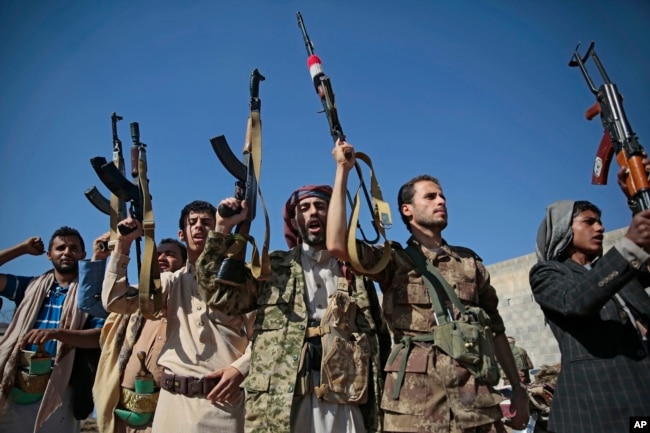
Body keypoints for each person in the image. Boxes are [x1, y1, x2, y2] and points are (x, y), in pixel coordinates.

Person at [327, 142, 529, 433]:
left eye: (443, 196)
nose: (441, 201)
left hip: (476, 404)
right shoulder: (393, 260)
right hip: (415, 408)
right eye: (431, 196)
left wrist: (519, 389)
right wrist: (342, 171)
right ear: (406, 210)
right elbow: (336, 243)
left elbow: (495, 330)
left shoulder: (470, 263)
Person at [196, 185, 388, 433]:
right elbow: (219, 296)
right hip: (283, 400)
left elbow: (380, 338)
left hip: (346, 398)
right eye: (304, 208)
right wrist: (223, 228)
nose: (313, 213)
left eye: (320, 206)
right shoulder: (273, 267)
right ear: (294, 221)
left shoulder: (357, 271)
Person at [102, 200, 254, 433]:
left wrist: (240, 369)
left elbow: (263, 335)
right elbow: (114, 300)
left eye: (207, 222)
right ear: (182, 234)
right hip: (172, 403)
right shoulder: (171, 282)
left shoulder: (240, 281)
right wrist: (123, 245)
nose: (199, 227)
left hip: (222, 403)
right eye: (192, 222)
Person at [529, 199, 650, 433]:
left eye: (601, 222)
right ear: (565, 230)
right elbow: (576, 302)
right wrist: (628, 247)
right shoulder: (548, 274)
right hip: (597, 409)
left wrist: (638, 200)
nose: (600, 228)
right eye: (589, 222)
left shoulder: (619, 272)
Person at [0, 227, 106, 433]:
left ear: (83, 255)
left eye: (73, 248)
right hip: (18, 384)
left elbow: (99, 338)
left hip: (62, 387)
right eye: (60, 248)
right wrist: (21, 249)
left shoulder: (92, 296)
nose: (67, 252)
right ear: (49, 255)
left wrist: (58, 333)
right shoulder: (30, 287)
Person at [91, 237, 187, 433]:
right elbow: (91, 302)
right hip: (125, 412)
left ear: (185, 264)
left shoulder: (190, 302)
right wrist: (105, 254)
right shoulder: (134, 299)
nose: (162, 258)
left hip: (169, 410)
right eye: (158, 254)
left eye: (170, 254)